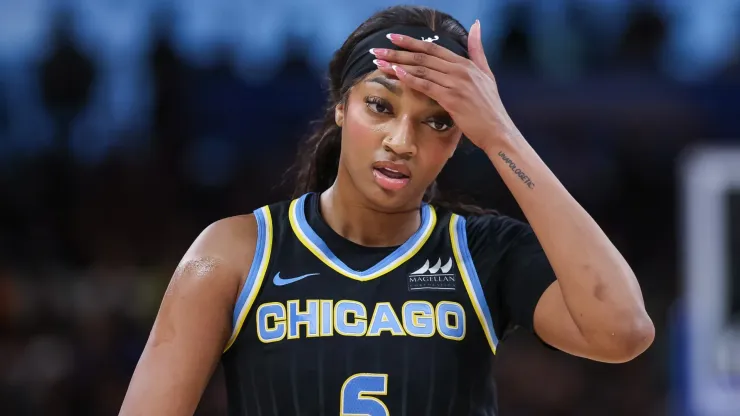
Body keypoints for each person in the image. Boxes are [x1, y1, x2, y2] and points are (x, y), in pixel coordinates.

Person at [120, 6, 654, 415]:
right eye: (380, 106)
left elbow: (624, 330)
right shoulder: (237, 252)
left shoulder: (483, 252)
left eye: (439, 121)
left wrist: (501, 135)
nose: (402, 140)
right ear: (339, 106)